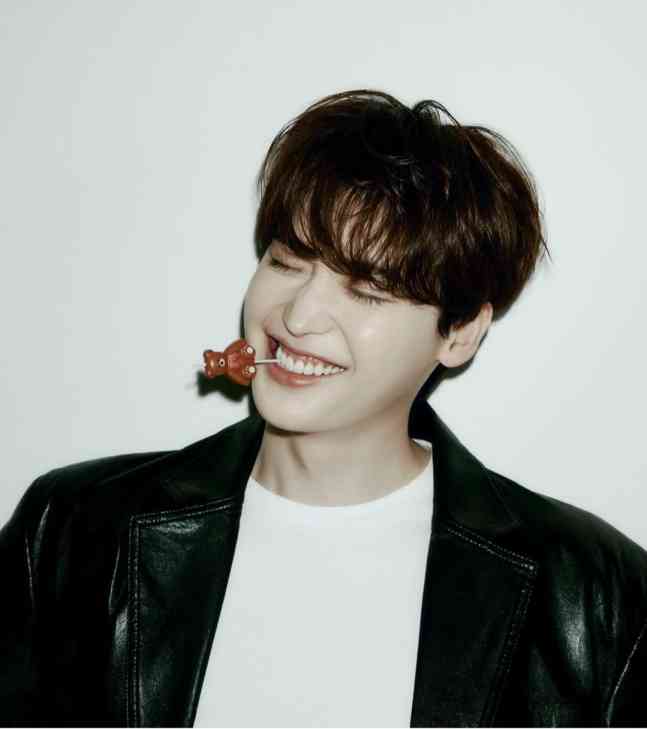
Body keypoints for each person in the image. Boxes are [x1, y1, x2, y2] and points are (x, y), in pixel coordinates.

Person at [1, 89, 645, 728]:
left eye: (366, 291)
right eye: (287, 262)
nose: (299, 316)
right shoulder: (70, 529)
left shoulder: (595, 591)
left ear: (460, 334)